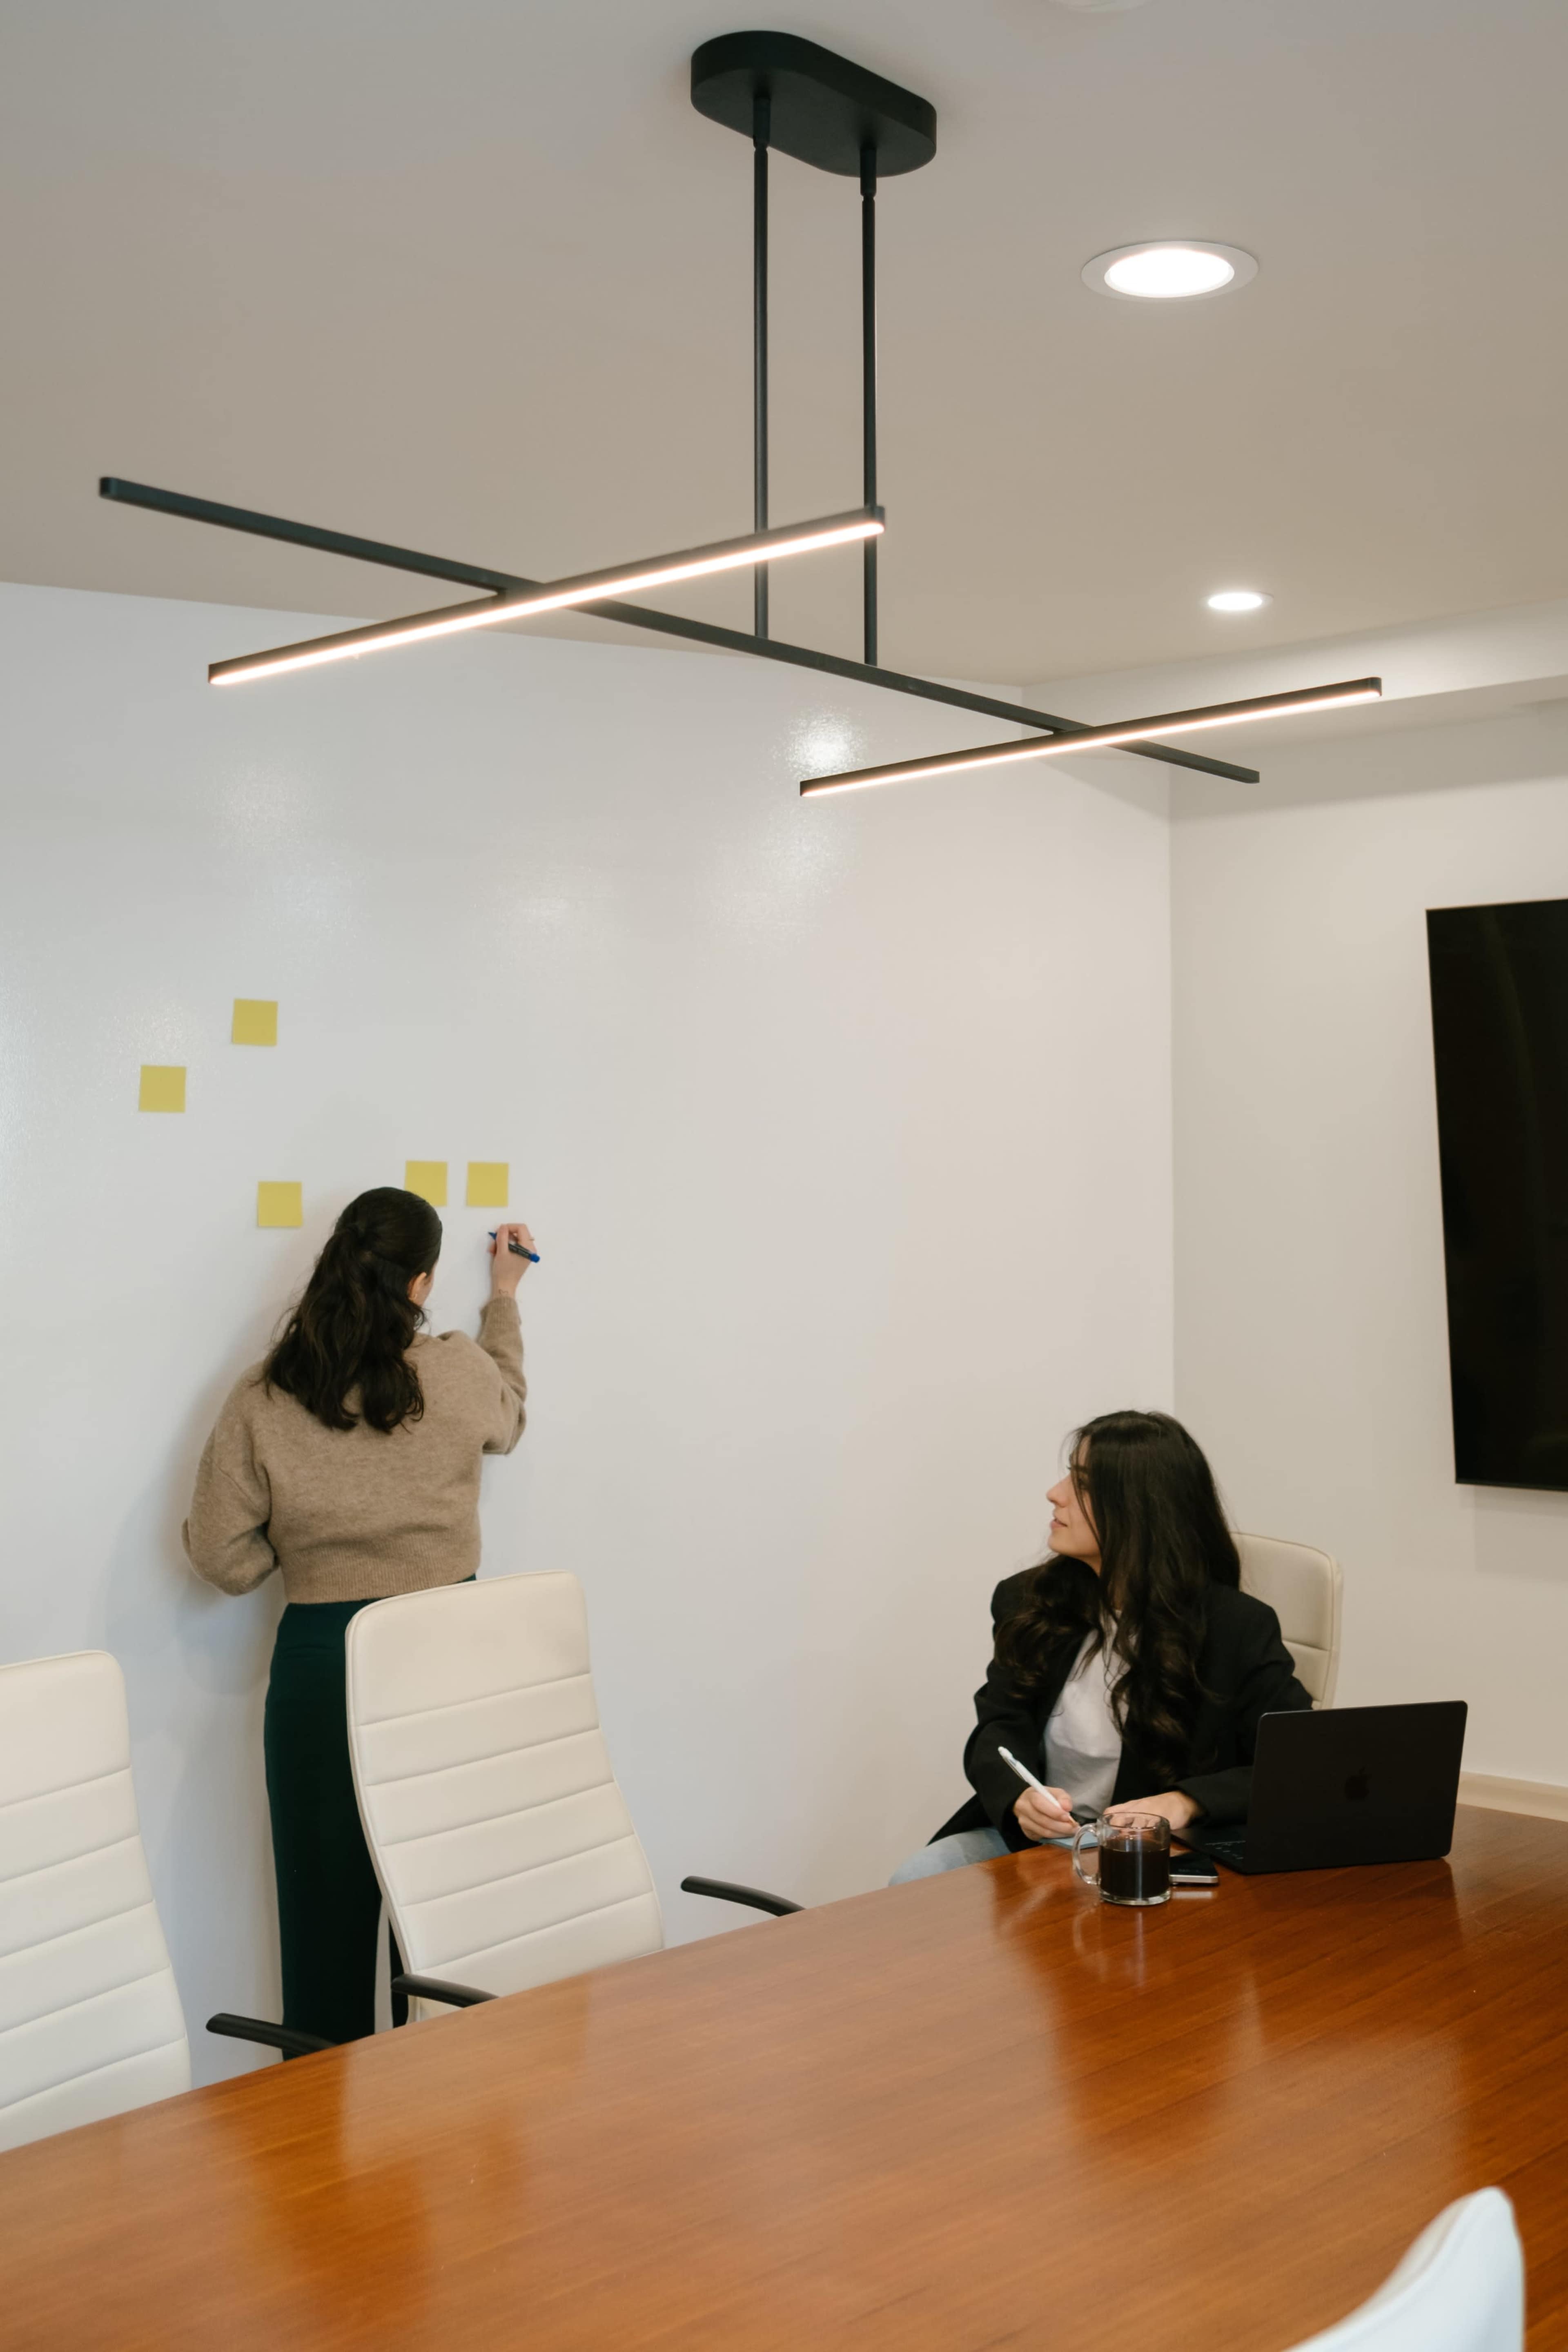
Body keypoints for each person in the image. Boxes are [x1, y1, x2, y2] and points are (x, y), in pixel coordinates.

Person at [184, 1186, 533, 2042]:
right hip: (446, 1662)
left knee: (324, 1940)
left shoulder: (268, 1394)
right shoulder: (457, 1371)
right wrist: (504, 1300)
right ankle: (432, 2141)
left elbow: (221, 1556)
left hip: (322, 1669)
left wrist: (311, 1554)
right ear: (420, 1284)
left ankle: (322, 2163)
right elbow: (511, 1418)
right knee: (444, 1933)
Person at [889, 1410, 1311, 1882]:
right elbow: (999, 1727)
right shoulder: (1028, 1601)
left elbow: (1297, 1763)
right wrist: (1019, 1799)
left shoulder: (1236, 1626)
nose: (1056, 1494)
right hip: (1039, 1842)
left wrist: (1185, 1802)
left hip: (1156, 1855)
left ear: (1140, 1509)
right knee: (915, 1879)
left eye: (1083, 1484)